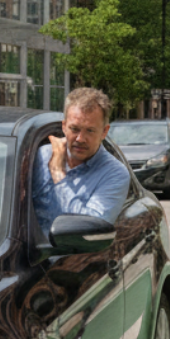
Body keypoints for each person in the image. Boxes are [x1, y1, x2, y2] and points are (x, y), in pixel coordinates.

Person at [32, 87, 132, 233]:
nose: (80, 139)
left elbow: (87, 229)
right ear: (64, 126)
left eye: (90, 131)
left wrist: (58, 173)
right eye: (75, 129)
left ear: (104, 131)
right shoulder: (40, 157)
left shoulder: (114, 173)